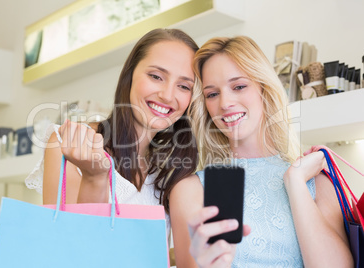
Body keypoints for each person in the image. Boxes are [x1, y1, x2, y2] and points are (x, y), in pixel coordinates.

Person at [169, 36, 354, 267]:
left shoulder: (315, 179)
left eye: (239, 86)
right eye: (212, 94)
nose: (225, 103)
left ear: (263, 88)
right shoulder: (190, 191)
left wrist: (295, 182)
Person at [25, 28, 199, 262]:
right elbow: (70, 251)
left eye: (184, 86)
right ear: (130, 74)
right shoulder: (75, 142)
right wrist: (94, 177)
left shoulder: (170, 170)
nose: (168, 95)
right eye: (156, 76)